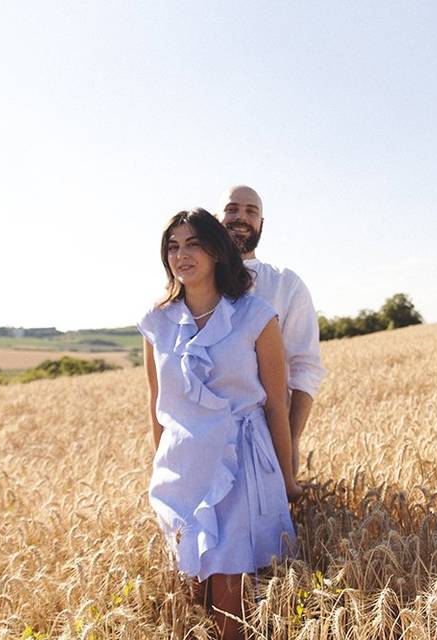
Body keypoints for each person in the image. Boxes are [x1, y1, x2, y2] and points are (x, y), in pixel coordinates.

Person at [136, 208, 303, 640]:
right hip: (183, 465)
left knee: (230, 601)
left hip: (241, 462)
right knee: (196, 593)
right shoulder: (156, 323)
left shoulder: (256, 316)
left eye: (193, 243)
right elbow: (157, 406)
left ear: (216, 250)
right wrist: (160, 471)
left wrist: (286, 476)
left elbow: (274, 407)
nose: (181, 255)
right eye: (173, 246)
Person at [217, 185, 325, 476]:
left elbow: (307, 367)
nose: (241, 217)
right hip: (207, 448)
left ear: (261, 225)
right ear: (216, 219)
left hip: (265, 444)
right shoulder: (194, 287)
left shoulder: (286, 285)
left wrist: (289, 440)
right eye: (232, 209)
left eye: (251, 211)